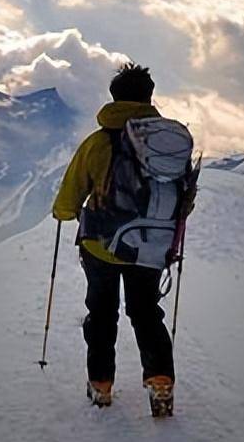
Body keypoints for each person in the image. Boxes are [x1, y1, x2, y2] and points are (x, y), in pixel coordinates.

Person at [51, 63, 176, 411]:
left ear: (114, 98)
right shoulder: (166, 145)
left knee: (103, 314)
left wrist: (64, 213)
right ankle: (161, 383)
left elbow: (68, 199)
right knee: (146, 312)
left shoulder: (97, 143)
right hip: (149, 246)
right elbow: (183, 198)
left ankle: (101, 386)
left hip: (101, 246)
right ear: (149, 97)